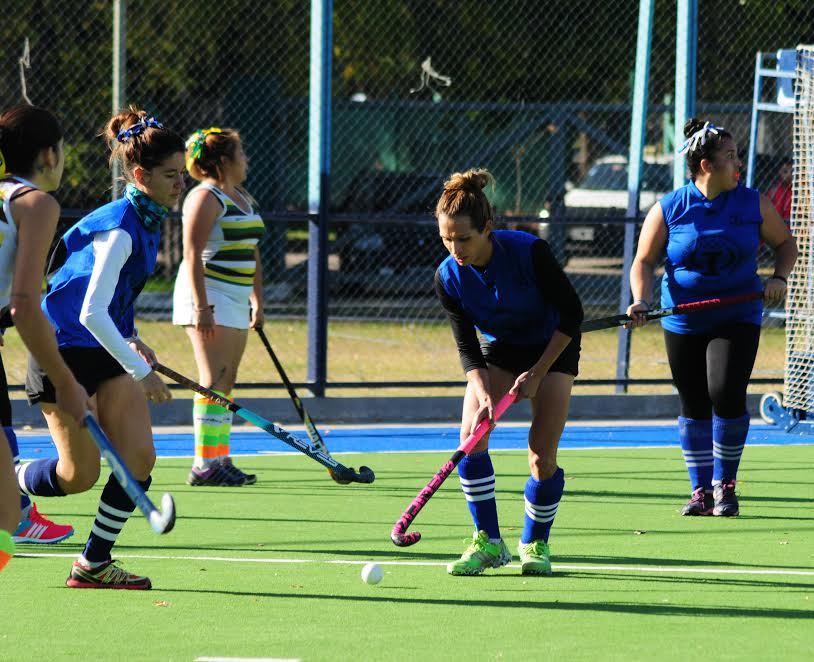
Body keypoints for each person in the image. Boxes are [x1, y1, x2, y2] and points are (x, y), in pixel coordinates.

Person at [22, 107, 185, 588]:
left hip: (103, 350)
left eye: (182, 175)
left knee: (138, 457)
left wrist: (132, 339)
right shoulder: (118, 227)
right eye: (172, 176)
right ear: (141, 175)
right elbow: (90, 311)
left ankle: (93, 563)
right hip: (62, 353)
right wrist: (139, 369)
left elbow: (108, 303)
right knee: (78, 476)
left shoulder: (148, 217)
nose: (181, 185)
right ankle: (6, 482)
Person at [627, 119, 797, 517]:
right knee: (694, 402)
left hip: (737, 314)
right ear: (706, 165)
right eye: (731, 157)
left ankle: (726, 487)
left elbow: (785, 244)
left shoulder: (752, 202)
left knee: (725, 392)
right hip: (684, 318)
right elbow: (644, 261)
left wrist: (778, 277)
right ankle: (700, 491)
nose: (739, 165)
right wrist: (640, 300)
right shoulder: (670, 207)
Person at [433, 168, 583, 576]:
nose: (455, 248)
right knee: (472, 438)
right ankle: (489, 542)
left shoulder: (529, 252)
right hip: (502, 348)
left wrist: (538, 372)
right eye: (446, 238)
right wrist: (483, 394)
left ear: (488, 229)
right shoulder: (448, 276)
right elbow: (467, 345)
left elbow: (572, 315)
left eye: (463, 238)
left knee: (541, 457)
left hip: (553, 346)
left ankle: (535, 543)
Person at [0, 104, 90, 570]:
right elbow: (24, 304)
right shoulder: (35, 204)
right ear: (49, 155)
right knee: (5, 518)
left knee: (6, 515)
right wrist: (66, 380)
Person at [172, 127, 265, 486]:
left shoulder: (241, 196)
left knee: (227, 381)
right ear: (224, 161)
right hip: (209, 295)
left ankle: (219, 459)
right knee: (211, 380)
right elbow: (192, 254)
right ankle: (203, 464)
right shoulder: (203, 198)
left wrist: (258, 300)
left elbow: (253, 251)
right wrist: (201, 308)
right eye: (242, 155)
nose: (247, 161)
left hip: (236, 297)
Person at [767, 157, 792, 224]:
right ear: (779, 172)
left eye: (792, 172)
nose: (789, 175)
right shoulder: (773, 191)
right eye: (785, 171)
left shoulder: (797, 192)